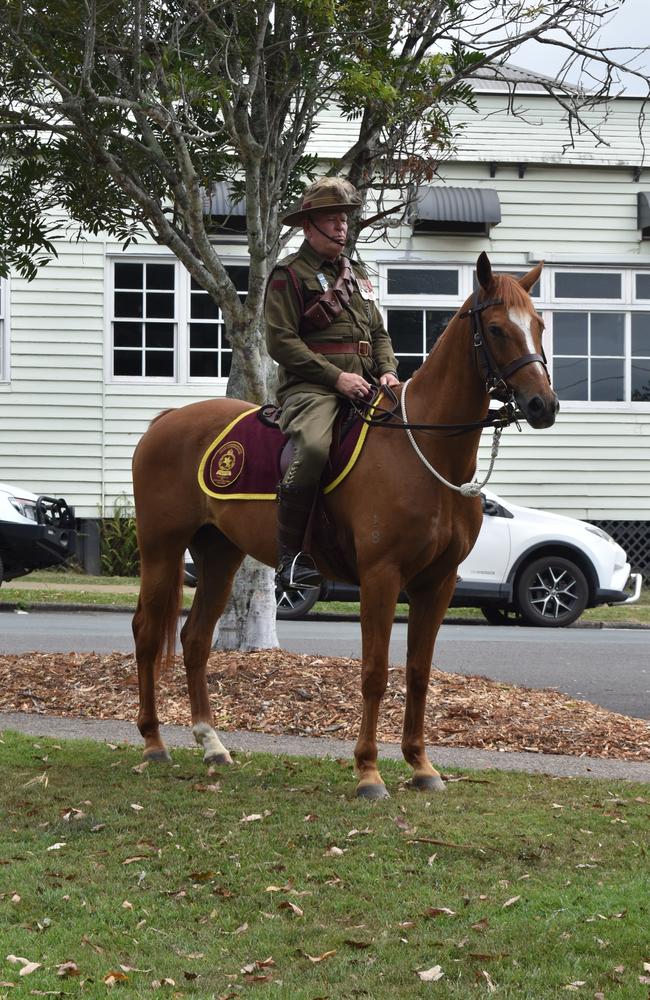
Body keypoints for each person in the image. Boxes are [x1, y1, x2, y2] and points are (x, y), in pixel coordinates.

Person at [264, 176, 400, 591]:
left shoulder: (356, 274)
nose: (342, 227)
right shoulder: (289, 274)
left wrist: (388, 370)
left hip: (366, 383)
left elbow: (378, 333)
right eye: (332, 219)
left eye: (344, 219)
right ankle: (289, 558)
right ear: (308, 227)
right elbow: (281, 342)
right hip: (312, 387)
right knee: (315, 446)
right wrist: (336, 378)